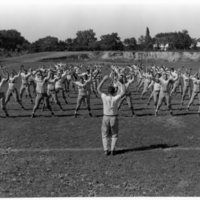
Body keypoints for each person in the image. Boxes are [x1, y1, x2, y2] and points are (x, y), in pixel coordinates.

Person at [97, 75, 125, 156]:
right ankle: (112, 150)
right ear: (114, 91)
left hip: (105, 117)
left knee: (104, 134)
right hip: (114, 117)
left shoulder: (104, 97)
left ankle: (106, 150)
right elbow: (123, 92)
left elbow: (98, 89)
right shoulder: (116, 98)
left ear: (108, 91)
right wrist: (121, 82)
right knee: (114, 134)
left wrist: (103, 79)